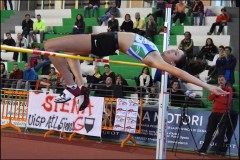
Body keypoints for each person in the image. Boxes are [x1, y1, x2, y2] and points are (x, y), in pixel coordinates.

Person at [44, 32, 229, 111]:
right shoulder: (156, 51)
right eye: (176, 49)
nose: (173, 49)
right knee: (69, 54)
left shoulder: (156, 61)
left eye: (175, 53)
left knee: (49, 46)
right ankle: (81, 86)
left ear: (172, 62)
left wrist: (209, 87)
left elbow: (182, 74)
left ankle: (71, 86)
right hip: (107, 41)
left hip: (106, 41)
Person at [198, 75, 233, 155]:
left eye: (222, 80)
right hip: (214, 113)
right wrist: (217, 92)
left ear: (225, 81)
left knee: (221, 133)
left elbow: (227, 101)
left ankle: (218, 151)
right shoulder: (216, 89)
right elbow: (210, 98)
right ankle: (203, 149)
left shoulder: (229, 89)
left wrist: (218, 95)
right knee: (209, 132)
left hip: (224, 114)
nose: (220, 81)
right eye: (219, 80)